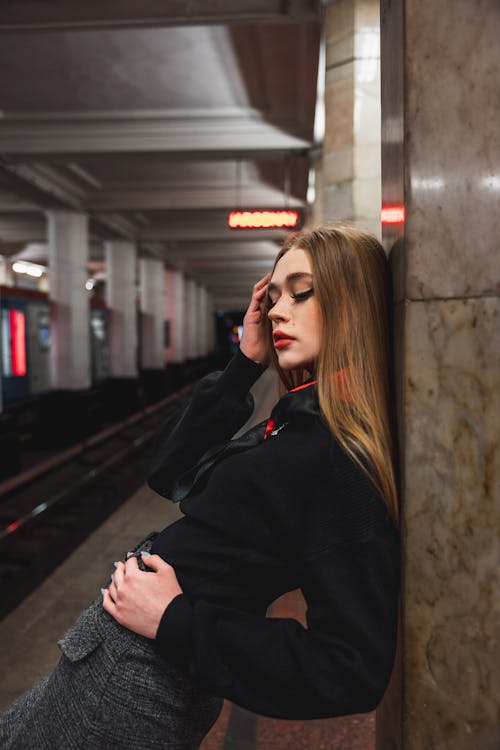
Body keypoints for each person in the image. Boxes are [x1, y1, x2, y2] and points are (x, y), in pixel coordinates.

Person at [0, 223, 400, 749]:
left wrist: (176, 621)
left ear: (354, 304)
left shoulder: (335, 457)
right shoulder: (302, 416)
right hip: (110, 659)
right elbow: (169, 472)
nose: (278, 310)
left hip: (138, 678)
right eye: (274, 297)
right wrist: (243, 365)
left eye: (302, 293)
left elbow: (349, 668)